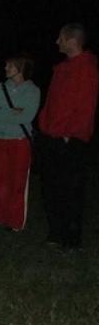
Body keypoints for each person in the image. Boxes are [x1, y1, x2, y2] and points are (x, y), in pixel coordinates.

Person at [36, 23, 99, 250]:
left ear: (72, 40)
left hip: (70, 140)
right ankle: (56, 232)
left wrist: (69, 134)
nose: (57, 42)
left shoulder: (86, 69)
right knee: (51, 186)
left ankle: (72, 239)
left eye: (60, 38)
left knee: (70, 189)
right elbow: (51, 102)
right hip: (51, 136)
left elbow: (85, 107)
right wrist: (44, 125)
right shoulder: (62, 69)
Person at [0, 53, 40, 232]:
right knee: (1, 180)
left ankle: (16, 220)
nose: (6, 68)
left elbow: (27, 116)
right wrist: (13, 112)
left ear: (21, 68)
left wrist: (3, 112)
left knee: (18, 182)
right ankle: (0, 216)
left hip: (20, 140)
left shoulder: (33, 91)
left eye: (10, 66)